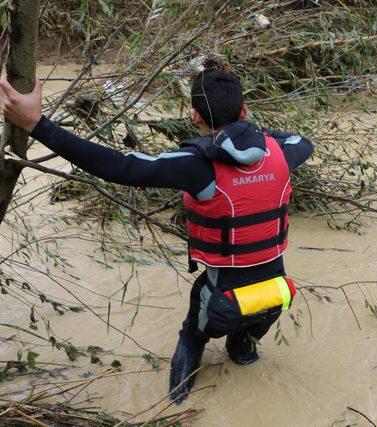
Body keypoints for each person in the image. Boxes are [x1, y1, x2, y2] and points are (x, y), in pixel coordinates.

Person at [0, 68, 313, 403]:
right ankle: (243, 353)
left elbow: (118, 166)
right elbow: (301, 140)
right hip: (275, 296)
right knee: (244, 352)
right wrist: (252, 133)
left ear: (195, 116)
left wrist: (36, 124)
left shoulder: (196, 165)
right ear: (244, 111)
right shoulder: (283, 153)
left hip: (220, 301)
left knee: (193, 335)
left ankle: (176, 402)